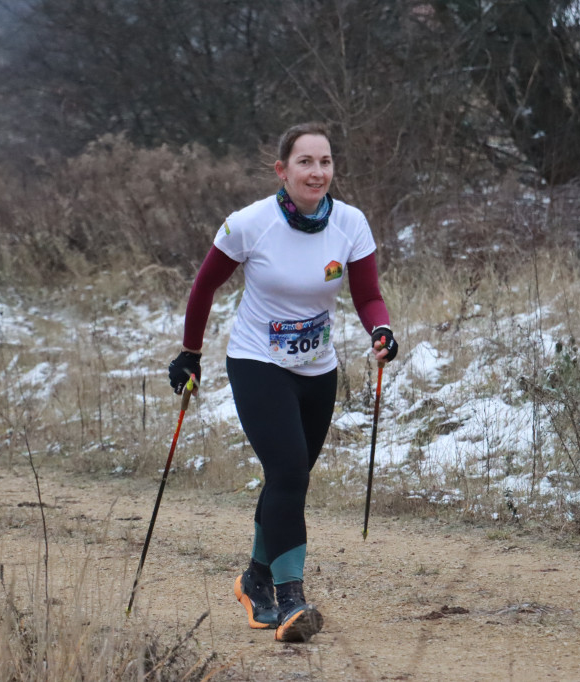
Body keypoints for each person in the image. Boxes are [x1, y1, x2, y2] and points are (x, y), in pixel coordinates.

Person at [167, 122, 398, 643]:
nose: (317, 173)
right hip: (257, 364)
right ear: (282, 170)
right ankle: (291, 599)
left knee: (288, 480)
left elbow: (367, 295)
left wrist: (380, 329)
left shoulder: (351, 224)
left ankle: (254, 580)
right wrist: (190, 352)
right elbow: (204, 286)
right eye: (305, 162)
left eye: (325, 162)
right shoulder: (251, 224)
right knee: (289, 471)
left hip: (318, 369)